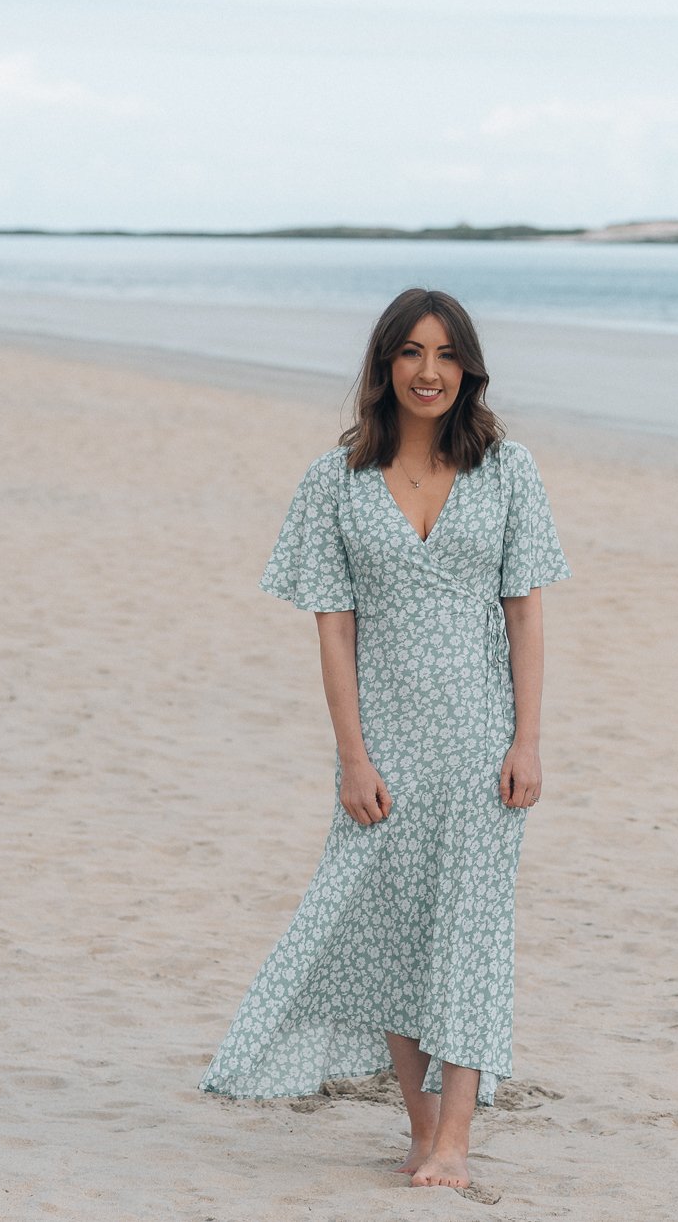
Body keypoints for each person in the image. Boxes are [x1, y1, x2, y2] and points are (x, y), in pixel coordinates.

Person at [198, 288, 572, 1192]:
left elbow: (524, 614)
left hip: (483, 744)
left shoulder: (508, 470)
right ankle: (419, 1128)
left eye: (446, 355)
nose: (429, 371)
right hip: (386, 745)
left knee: (471, 936)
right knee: (387, 933)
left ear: (469, 369)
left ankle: (457, 1141)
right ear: (384, 366)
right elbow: (333, 631)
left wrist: (527, 740)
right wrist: (354, 757)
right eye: (410, 353)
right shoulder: (336, 482)